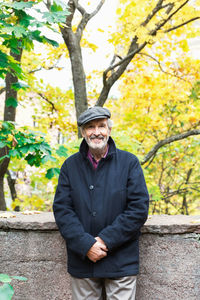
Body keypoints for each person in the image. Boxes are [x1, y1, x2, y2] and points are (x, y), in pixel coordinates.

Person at [53, 106, 149, 300]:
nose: (96, 132)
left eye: (101, 126)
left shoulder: (129, 162)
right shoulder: (70, 166)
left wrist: (104, 241)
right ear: (83, 132)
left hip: (121, 259)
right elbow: (62, 210)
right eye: (90, 127)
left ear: (109, 130)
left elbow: (138, 208)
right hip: (83, 259)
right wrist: (86, 244)